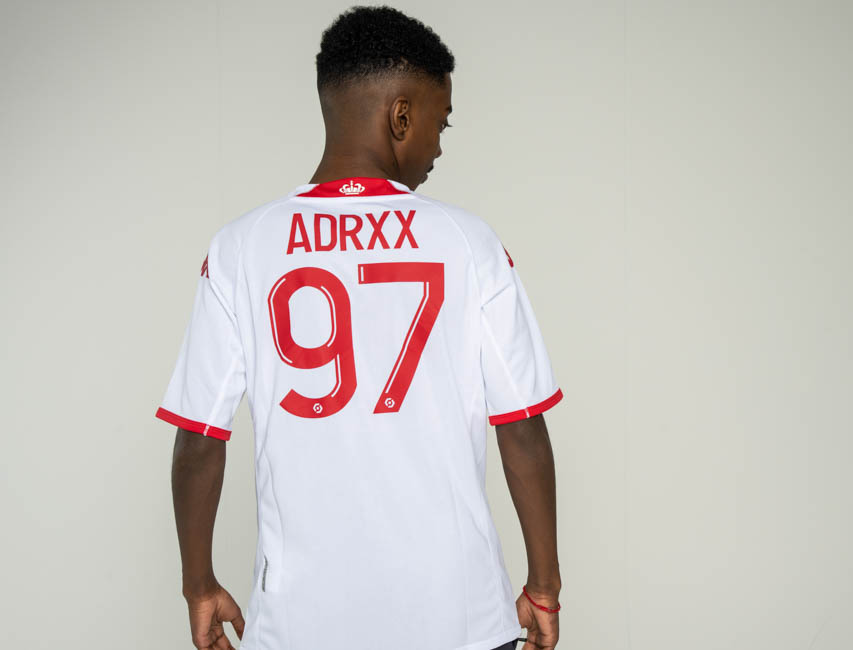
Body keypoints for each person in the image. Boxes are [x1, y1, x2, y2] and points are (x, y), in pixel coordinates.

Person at [156, 6, 564, 649]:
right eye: (440, 122)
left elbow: (198, 439)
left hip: (299, 626)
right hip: (457, 620)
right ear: (401, 116)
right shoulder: (468, 242)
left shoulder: (241, 247)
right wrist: (544, 585)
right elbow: (521, 428)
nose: (439, 146)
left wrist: (198, 585)